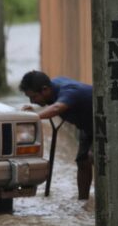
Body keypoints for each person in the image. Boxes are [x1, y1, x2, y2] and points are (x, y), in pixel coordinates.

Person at [19, 70, 93, 200]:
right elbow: (54, 105)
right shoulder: (53, 87)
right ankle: (83, 202)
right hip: (87, 127)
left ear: (45, 89)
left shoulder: (69, 91)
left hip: (104, 123)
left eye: (34, 97)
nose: (32, 101)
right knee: (82, 161)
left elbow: (57, 108)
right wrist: (36, 110)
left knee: (91, 157)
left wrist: (34, 116)